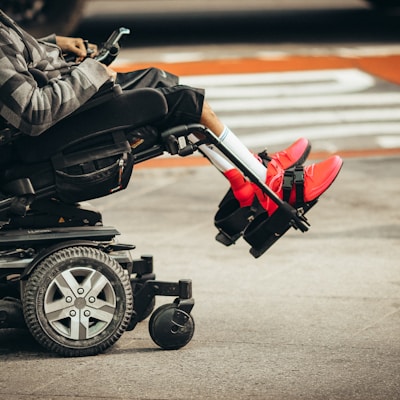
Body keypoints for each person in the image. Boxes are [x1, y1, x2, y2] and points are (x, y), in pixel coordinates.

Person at [0, 9, 342, 220]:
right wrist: (90, 74)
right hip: (39, 140)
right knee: (181, 103)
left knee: (160, 80)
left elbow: (20, 60)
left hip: (51, 117)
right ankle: (272, 187)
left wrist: (54, 43)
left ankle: (248, 177)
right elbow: (33, 111)